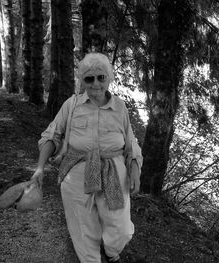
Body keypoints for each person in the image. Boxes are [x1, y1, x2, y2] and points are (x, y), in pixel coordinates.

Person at [31, 52, 142, 263]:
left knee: (122, 229)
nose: (96, 84)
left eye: (101, 77)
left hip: (114, 175)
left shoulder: (120, 107)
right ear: (82, 81)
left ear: (109, 78)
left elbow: (131, 143)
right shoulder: (71, 105)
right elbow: (51, 135)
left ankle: (110, 251)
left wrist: (135, 168)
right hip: (76, 174)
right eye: (89, 79)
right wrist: (39, 168)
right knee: (83, 229)